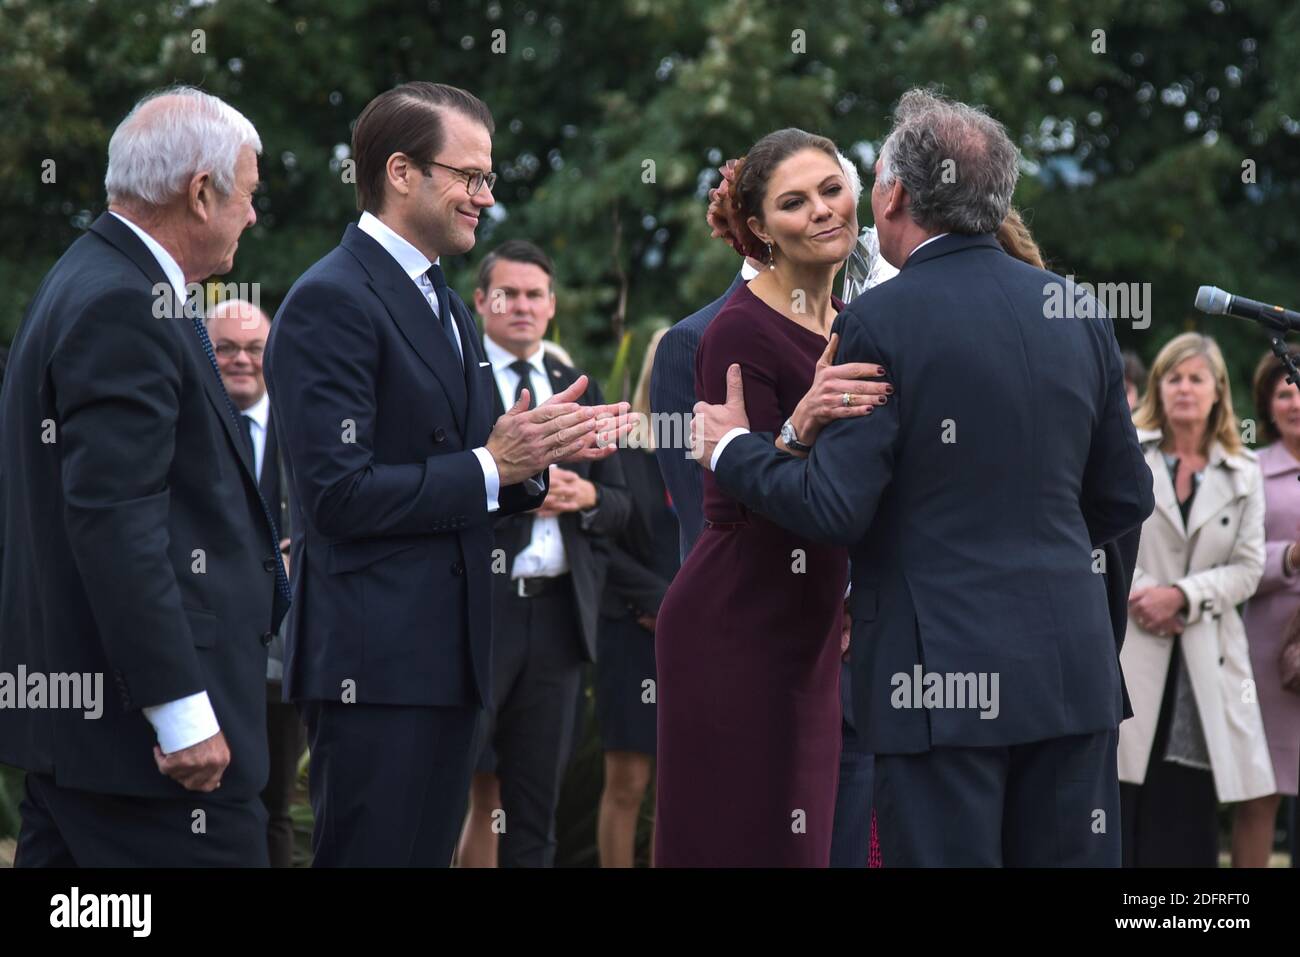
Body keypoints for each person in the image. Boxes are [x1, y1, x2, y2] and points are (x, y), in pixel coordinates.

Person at [693, 89, 1154, 867]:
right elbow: (1124, 498)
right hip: (1071, 673)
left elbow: (836, 507)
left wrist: (735, 451)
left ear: (896, 193)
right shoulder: (1077, 308)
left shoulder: (881, 320)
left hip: (939, 683)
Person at [264, 82, 625, 867]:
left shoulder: (449, 304)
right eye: (469, 176)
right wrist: (493, 463)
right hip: (375, 668)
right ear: (401, 172)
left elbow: (476, 468)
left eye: (487, 178)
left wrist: (531, 459)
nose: (484, 198)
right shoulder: (330, 298)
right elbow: (336, 496)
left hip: (452, 660)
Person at [0, 87, 288, 866]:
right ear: (202, 192)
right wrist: (181, 711)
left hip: (92, 746)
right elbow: (117, 523)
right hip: (155, 759)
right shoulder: (125, 303)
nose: (252, 218)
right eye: (249, 196)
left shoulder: (87, 278)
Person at [653, 127, 877, 867]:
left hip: (813, 625)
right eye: (793, 202)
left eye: (831, 189)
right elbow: (733, 499)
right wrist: (799, 425)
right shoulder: (734, 333)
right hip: (737, 622)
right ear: (758, 229)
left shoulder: (854, 323)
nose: (821, 210)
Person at [455, 240, 631, 867]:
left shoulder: (576, 384)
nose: (522, 307)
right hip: (480, 612)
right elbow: (440, 491)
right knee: (458, 795)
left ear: (552, 306)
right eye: (508, 294)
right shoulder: (456, 382)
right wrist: (515, 490)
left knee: (537, 808)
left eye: (535, 295)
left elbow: (622, 510)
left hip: (559, 619)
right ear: (481, 301)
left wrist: (584, 495)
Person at [1119, 332, 1274, 866]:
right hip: (1130, 650)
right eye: (1174, 377)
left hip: (1205, 663)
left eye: (1196, 378)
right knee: (1116, 811)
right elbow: (1099, 540)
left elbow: (1249, 568)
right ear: (1158, 388)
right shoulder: (1125, 453)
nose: (1184, 389)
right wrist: (1143, 594)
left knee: (1185, 823)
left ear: (1218, 392)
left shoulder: (1244, 472)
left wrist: (1182, 597)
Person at [207, 297, 302, 868]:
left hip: (282, 655)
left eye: (255, 349)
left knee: (273, 807)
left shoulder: (304, 429)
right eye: (226, 348)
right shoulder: (185, 422)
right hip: (205, 650)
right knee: (203, 802)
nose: (242, 360)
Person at [594, 328, 680, 866]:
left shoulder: (718, 448)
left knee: (683, 784)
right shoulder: (624, 445)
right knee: (628, 781)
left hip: (702, 637)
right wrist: (666, 603)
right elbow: (600, 541)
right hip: (634, 629)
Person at [1237, 349, 1300, 867]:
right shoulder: (1250, 471)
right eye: (1284, 392)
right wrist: (1292, 558)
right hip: (1268, 656)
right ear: (1267, 403)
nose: (1296, 401)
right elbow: (1237, 566)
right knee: (1260, 794)